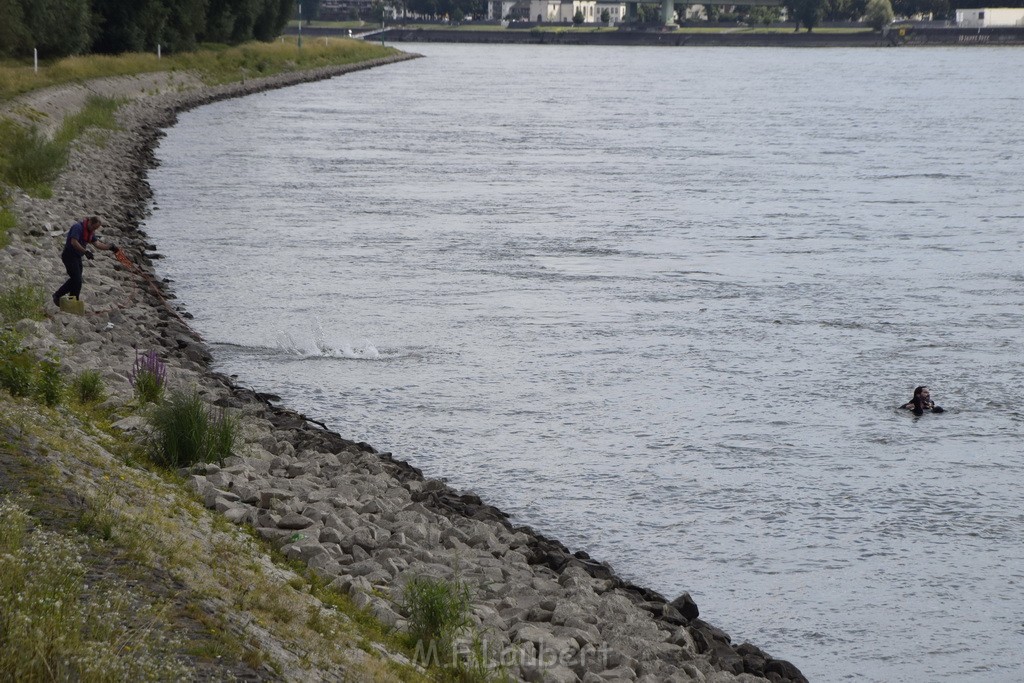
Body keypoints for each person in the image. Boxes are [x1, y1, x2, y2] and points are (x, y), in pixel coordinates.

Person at [52, 216, 118, 307]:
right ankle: (58, 296)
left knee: (77, 280)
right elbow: (74, 242)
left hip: (77, 257)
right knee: (77, 280)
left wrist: (110, 247)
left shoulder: (90, 231)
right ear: (90, 222)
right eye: (94, 227)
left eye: (96, 229)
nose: (94, 230)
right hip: (69, 256)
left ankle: (71, 300)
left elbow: (97, 244)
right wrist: (85, 252)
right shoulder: (78, 227)